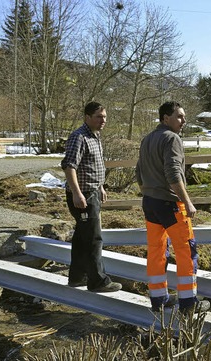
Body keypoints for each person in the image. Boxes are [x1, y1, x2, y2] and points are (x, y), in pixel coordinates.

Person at [136, 101, 201, 313]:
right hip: (170, 204)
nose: (184, 120)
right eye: (180, 116)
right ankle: (188, 303)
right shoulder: (172, 138)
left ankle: (158, 300)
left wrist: (149, 191)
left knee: (156, 251)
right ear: (166, 118)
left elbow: (139, 172)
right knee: (186, 252)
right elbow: (173, 173)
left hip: (150, 203)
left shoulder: (147, 139)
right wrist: (187, 201)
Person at [61, 101, 122, 292]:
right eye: (98, 116)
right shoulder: (78, 137)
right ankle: (98, 281)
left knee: (82, 237)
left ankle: (77, 277)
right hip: (83, 196)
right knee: (94, 238)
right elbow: (69, 166)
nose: (103, 120)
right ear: (87, 117)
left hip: (92, 192)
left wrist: (100, 186)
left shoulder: (95, 136)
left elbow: (92, 166)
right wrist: (77, 194)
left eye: (104, 116)